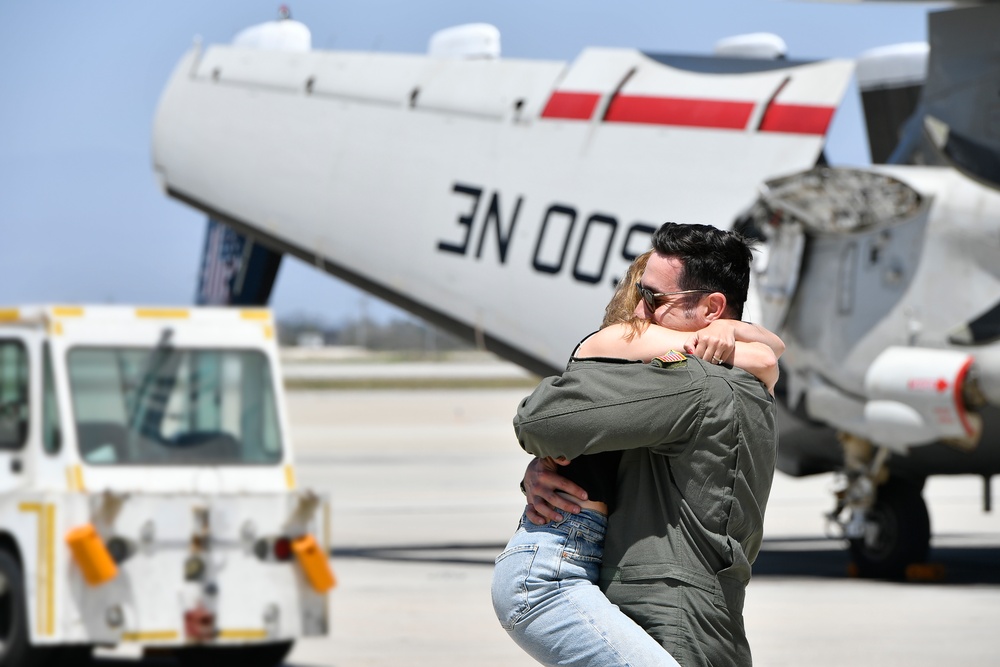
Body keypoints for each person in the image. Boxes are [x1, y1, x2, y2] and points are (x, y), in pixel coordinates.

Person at [493, 223, 782, 666]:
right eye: (638, 296)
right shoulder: (720, 374)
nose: (641, 313)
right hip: (611, 580)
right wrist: (750, 346)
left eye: (654, 299)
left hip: (656, 599)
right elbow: (546, 424)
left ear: (712, 308)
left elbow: (539, 418)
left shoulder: (694, 380)